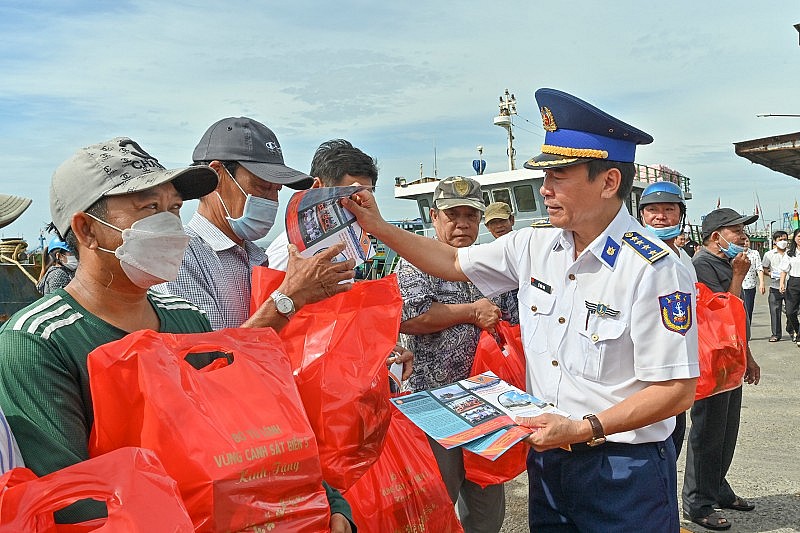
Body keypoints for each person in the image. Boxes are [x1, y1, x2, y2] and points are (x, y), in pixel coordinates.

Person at [343, 88, 699, 532]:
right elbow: (452, 263)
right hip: (549, 461)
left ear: (608, 182)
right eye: (545, 175)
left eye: (560, 175)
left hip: (621, 468)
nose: (546, 189)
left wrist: (584, 428)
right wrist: (377, 226)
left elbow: (675, 390)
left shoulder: (655, 268)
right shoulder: (533, 246)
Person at [0, 138, 354, 531]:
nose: (169, 226)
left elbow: (246, 431)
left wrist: (325, 499)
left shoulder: (188, 321)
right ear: (86, 230)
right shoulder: (36, 343)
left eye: (173, 209)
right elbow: (76, 501)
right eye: (149, 208)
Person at [155, 117, 356, 332]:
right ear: (217, 175)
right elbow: (206, 356)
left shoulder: (258, 257)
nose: (271, 201)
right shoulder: (180, 256)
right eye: (261, 187)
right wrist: (290, 297)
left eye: (277, 190)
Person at [396, 176, 505, 533]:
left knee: (487, 509)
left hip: (488, 404)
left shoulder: (491, 262)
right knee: (437, 506)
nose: (462, 224)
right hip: (433, 408)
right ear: (434, 217)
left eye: (470, 216)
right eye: (452, 215)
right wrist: (472, 311)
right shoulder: (415, 261)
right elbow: (412, 317)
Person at [682, 207, 761, 531]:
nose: (743, 236)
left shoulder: (727, 262)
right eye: (736, 230)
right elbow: (721, 316)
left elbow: (738, 321)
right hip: (712, 365)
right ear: (716, 237)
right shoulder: (703, 265)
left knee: (727, 431)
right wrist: (739, 277)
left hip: (731, 361)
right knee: (706, 433)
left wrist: (749, 357)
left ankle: (718, 487)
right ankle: (697, 501)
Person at [638, 180, 697, 459]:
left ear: (681, 215)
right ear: (642, 216)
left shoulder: (685, 259)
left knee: (672, 453)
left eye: (668, 209)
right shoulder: (631, 257)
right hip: (646, 379)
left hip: (678, 380)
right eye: (652, 210)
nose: (660, 216)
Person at [265, 138, 378, 271]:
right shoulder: (288, 254)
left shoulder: (339, 253)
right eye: (351, 194)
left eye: (366, 196)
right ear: (317, 188)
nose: (359, 205)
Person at [762, 230, 789, 341]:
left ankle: (793, 331)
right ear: (775, 241)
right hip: (775, 286)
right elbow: (764, 268)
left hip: (790, 287)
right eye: (780, 240)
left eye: (785, 239)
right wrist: (770, 274)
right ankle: (776, 334)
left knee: (792, 311)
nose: (783, 242)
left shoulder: (791, 254)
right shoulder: (769, 254)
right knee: (775, 311)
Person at [779, 228, 800, 345]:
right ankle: (796, 330)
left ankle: (799, 336)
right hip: (794, 283)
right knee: (790, 311)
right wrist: (782, 284)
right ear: (795, 238)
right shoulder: (789, 254)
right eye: (799, 236)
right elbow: (783, 270)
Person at [740, 236, 764, 323]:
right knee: (738, 311)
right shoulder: (734, 253)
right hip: (736, 287)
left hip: (749, 287)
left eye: (747, 241)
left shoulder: (754, 253)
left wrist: (762, 283)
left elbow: (759, 268)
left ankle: (747, 333)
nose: (745, 243)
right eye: (743, 240)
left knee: (748, 311)